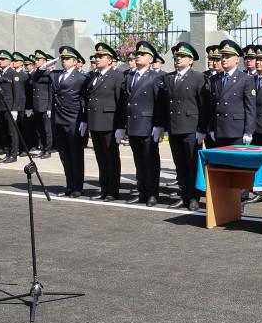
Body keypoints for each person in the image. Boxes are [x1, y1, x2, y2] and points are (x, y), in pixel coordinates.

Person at [115, 41, 166, 206]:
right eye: (137, 54)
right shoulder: (129, 76)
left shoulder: (156, 77)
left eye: (142, 54)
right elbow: (124, 103)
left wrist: (159, 125)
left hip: (148, 125)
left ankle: (152, 193)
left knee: (150, 161)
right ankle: (142, 191)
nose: (138, 56)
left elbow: (160, 103)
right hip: (133, 125)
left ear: (150, 59)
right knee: (138, 161)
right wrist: (122, 126)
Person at [34, 46, 88, 197]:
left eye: (67, 59)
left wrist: (84, 120)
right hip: (58, 119)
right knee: (64, 155)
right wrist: (44, 65)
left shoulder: (81, 77)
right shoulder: (55, 75)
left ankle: (77, 187)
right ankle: (69, 185)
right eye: (62, 59)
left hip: (73, 119)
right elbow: (36, 78)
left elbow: (85, 100)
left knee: (75, 155)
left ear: (75, 61)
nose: (64, 61)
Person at [163, 42, 209, 210]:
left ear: (191, 60)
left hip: (191, 128)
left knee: (192, 165)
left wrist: (202, 129)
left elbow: (203, 105)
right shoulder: (168, 78)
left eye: (182, 57)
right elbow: (164, 105)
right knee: (179, 164)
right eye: (176, 57)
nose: (178, 59)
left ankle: (194, 198)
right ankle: (183, 195)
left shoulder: (198, 77)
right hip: (174, 127)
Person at [83, 43, 124, 201]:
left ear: (109, 60)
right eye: (96, 57)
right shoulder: (94, 76)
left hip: (109, 123)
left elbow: (120, 102)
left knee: (111, 158)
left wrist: (120, 126)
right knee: (101, 158)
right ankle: (104, 188)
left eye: (100, 57)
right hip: (95, 122)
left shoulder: (116, 76)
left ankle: (113, 191)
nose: (97, 59)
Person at [207, 39, 256, 147]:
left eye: (228, 57)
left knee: (237, 163)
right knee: (220, 163)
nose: (224, 59)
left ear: (237, 59)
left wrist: (249, 131)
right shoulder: (215, 79)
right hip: (220, 130)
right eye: (223, 56)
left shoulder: (245, 79)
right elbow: (212, 106)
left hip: (237, 131)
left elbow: (250, 107)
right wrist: (212, 128)